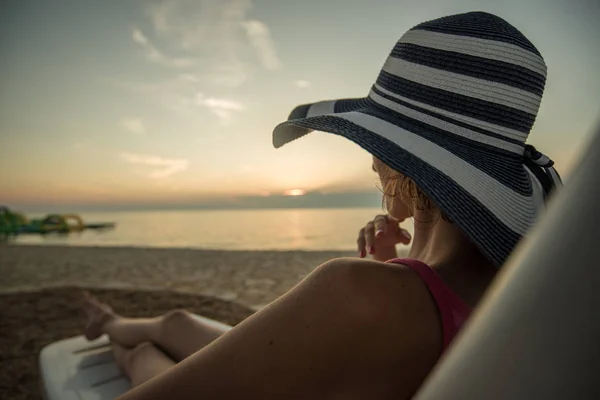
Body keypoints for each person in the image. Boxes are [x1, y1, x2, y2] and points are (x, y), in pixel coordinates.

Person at [82, 11, 561, 399]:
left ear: (404, 160)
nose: (373, 161)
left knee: (147, 355)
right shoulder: (515, 288)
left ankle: (122, 346)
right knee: (177, 323)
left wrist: (381, 279)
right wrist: (396, 267)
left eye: (380, 144)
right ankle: (109, 322)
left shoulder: (357, 291)